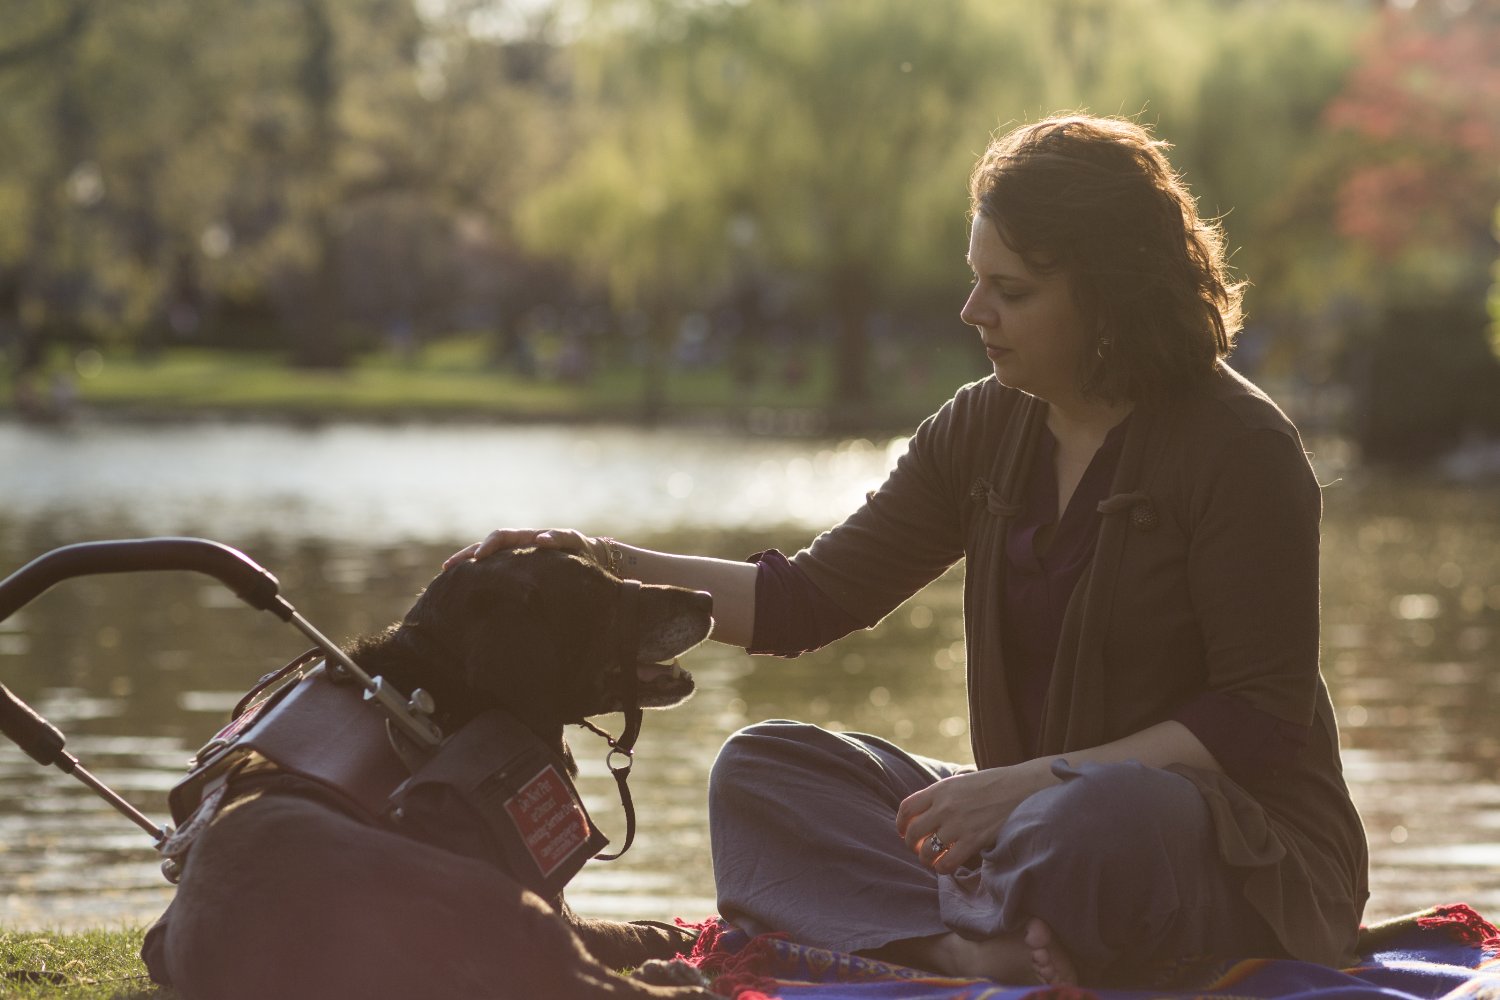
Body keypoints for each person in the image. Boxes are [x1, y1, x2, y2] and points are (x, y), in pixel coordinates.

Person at [446, 112, 1369, 987]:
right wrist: (603, 561)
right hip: (1031, 816)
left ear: (1114, 297)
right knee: (763, 770)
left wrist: (1025, 789)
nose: (974, 311)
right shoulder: (980, 429)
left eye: (1012, 291)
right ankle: (971, 951)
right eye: (976, 279)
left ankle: (967, 915)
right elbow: (804, 602)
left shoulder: (1241, 449)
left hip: (1222, 840)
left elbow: (1256, 720)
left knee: (1103, 817)